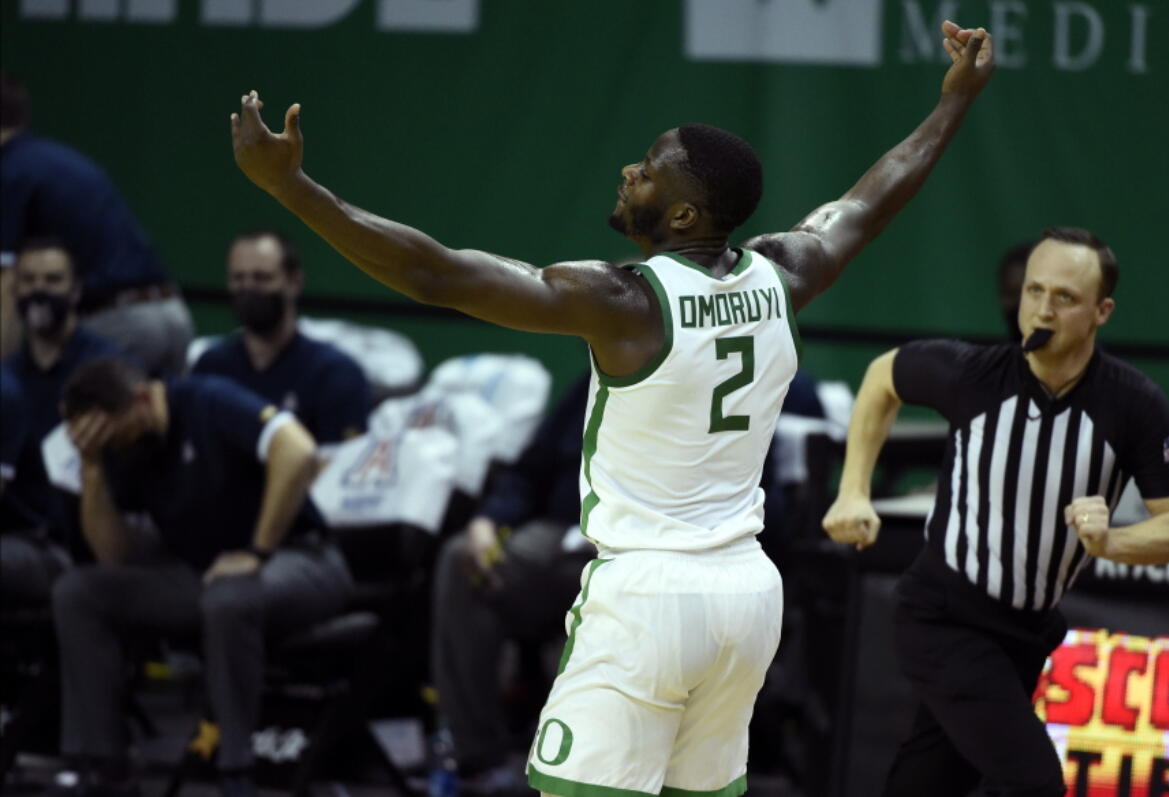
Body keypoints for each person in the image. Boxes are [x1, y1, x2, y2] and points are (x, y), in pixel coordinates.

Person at [229, 19, 997, 797]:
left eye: (651, 171)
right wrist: (955, 100)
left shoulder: (628, 301)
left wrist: (293, 190)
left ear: (688, 217)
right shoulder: (785, 272)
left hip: (649, 600)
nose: (632, 170)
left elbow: (439, 277)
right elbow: (875, 196)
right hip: (747, 597)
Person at [821, 227, 1169, 797]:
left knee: (931, 778)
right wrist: (853, 490)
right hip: (944, 613)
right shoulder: (972, 375)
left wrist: (1111, 543)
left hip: (1025, 632)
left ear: (1103, 311)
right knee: (1033, 782)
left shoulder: (1134, 405)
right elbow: (881, 378)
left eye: (1065, 298)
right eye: (1033, 291)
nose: (1042, 310)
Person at [52, 357, 353, 797]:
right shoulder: (119, 445)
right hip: (205, 572)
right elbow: (113, 555)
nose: (115, 446)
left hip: (300, 559)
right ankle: (102, 768)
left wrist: (257, 550)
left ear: (141, 399)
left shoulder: (209, 399)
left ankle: (236, 775)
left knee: (227, 598)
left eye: (115, 435)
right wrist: (93, 468)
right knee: (78, 591)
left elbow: (298, 450)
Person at [431, 375, 591, 791]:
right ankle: (479, 758)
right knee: (461, 560)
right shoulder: (596, 377)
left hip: (645, 540)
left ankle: (583, 765)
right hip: (560, 531)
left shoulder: (705, 379)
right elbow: (529, 471)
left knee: (622, 586)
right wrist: (489, 519)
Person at [0, 70, 194, 375]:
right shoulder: (50, 158)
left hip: (120, 325)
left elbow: (6, 290)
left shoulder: (10, 170)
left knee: (69, 417)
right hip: (172, 315)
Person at [1, 237, 123, 597]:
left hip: (71, 545)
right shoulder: (9, 374)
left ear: (75, 290)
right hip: (17, 535)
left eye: (53, 280)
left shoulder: (108, 373)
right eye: (28, 281)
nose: (39, 291)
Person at [192, 229, 372, 443]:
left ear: (294, 282)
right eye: (238, 278)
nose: (248, 288)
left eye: (262, 278)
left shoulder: (335, 374)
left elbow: (340, 466)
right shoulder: (211, 367)